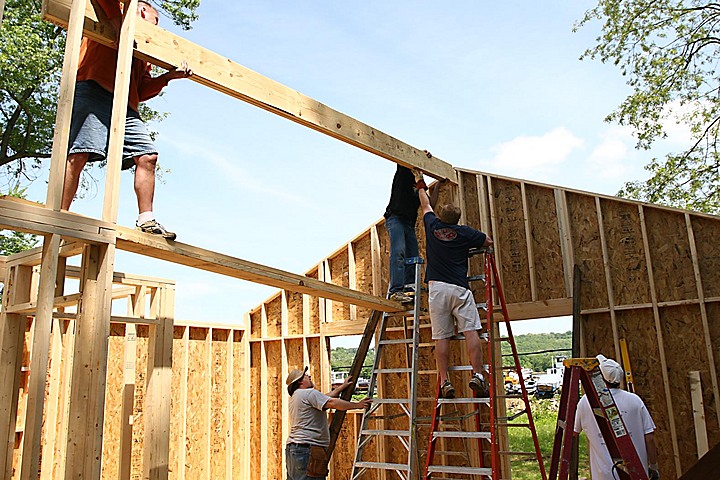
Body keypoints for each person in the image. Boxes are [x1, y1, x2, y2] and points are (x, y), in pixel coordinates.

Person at [62, 0, 192, 240]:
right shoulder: (119, 9)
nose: (156, 28)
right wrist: (117, 22)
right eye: (156, 21)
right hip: (93, 86)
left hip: (125, 104)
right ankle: (61, 213)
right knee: (80, 151)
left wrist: (168, 77)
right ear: (143, 11)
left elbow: (141, 90)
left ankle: (146, 219)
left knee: (148, 155)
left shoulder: (142, 49)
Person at [415, 169, 494, 399]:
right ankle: (477, 375)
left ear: (441, 217)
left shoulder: (432, 226)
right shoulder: (464, 232)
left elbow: (425, 205)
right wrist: (470, 242)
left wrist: (421, 182)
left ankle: (445, 382)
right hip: (460, 288)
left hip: (437, 289)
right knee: (471, 331)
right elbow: (487, 241)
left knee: (442, 337)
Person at [574, 355, 660, 480]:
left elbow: (573, 432)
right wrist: (653, 466)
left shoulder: (586, 402)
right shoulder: (635, 401)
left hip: (603, 476)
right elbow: (650, 438)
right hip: (636, 474)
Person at [285, 367, 372, 480]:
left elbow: (325, 397)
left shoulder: (297, 396)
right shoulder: (308, 393)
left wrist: (341, 387)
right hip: (307, 451)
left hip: (294, 450)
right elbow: (331, 402)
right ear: (300, 381)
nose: (309, 376)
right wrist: (357, 405)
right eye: (306, 375)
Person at [384, 164, 421, 303]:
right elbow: (401, 160)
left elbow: (430, 203)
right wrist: (420, 155)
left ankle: (409, 293)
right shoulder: (403, 175)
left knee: (413, 258)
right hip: (396, 218)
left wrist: (441, 185)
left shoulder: (419, 188)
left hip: (409, 224)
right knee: (398, 252)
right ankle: (396, 291)